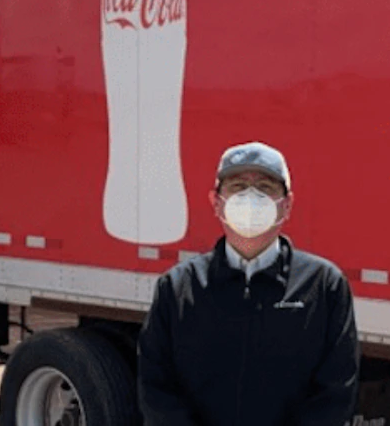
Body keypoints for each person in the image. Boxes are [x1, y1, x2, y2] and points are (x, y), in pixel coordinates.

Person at [137, 140, 361, 425]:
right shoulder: (178, 288)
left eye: (266, 187)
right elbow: (156, 388)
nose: (251, 197)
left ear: (287, 204)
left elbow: (335, 392)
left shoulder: (324, 286)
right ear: (216, 202)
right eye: (238, 186)